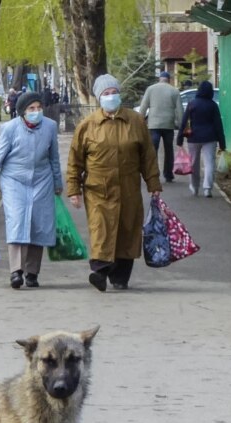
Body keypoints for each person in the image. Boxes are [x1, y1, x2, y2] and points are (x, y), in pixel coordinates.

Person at [65, 74, 162, 292]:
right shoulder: (88, 125)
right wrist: (73, 189)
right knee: (101, 229)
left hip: (128, 187)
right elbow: (75, 160)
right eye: (106, 94)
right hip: (98, 190)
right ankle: (100, 272)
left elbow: (148, 155)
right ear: (99, 98)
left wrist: (153, 185)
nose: (111, 97)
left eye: (114, 92)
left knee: (127, 231)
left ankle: (120, 277)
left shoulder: (135, 121)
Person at [0, 91, 64, 289]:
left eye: (39, 108)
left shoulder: (50, 127)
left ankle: (32, 272)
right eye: (31, 109)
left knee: (39, 224)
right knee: (17, 221)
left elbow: (54, 157)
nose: (36, 112)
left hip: (42, 180)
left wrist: (58, 183)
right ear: (22, 112)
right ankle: (16, 271)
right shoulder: (10, 129)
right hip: (14, 180)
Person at [177, 80, 226, 198]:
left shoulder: (192, 104)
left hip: (193, 137)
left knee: (193, 163)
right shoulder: (213, 105)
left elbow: (184, 122)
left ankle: (194, 187)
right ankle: (207, 188)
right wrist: (222, 142)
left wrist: (179, 138)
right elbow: (218, 124)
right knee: (209, 163)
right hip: (210, 137)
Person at [138, 71, 183, 183]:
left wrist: (139, 121)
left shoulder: (150, 89)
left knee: (153, 150)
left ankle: (153, 174)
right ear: (169, 80)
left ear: (159, 79)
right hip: (168, 124)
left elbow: (143, 107)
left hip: (154, 125)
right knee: (169, 150)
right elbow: (179, 110)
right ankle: (168, 174)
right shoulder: (174, 91)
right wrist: (182, 125)